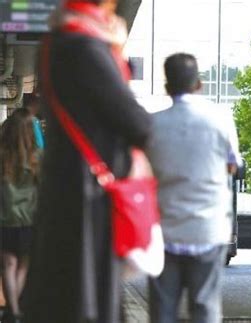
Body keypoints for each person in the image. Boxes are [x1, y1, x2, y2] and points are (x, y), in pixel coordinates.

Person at [22, 1, 153, 322]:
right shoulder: (83, 46)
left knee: (63, 294)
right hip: (88, 198)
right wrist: (115, 51)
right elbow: (137, 123)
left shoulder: (56, 40)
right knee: (85, 299)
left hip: (68, 187)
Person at [147, 53, 242, 323]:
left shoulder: (152, 125)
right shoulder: (220, 119)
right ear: (199, 84)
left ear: (167, 88)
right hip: (208, 230)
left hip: (164, 230)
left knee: (162, 310)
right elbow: (232, 166)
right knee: (205, 307)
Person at [0, 108, 41, 323]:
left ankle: (12, 311)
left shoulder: (2, 157)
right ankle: (15, 311)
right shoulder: (38, 158)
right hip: (29, 220)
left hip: (5, 219)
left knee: (7, 265)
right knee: (23, 266)